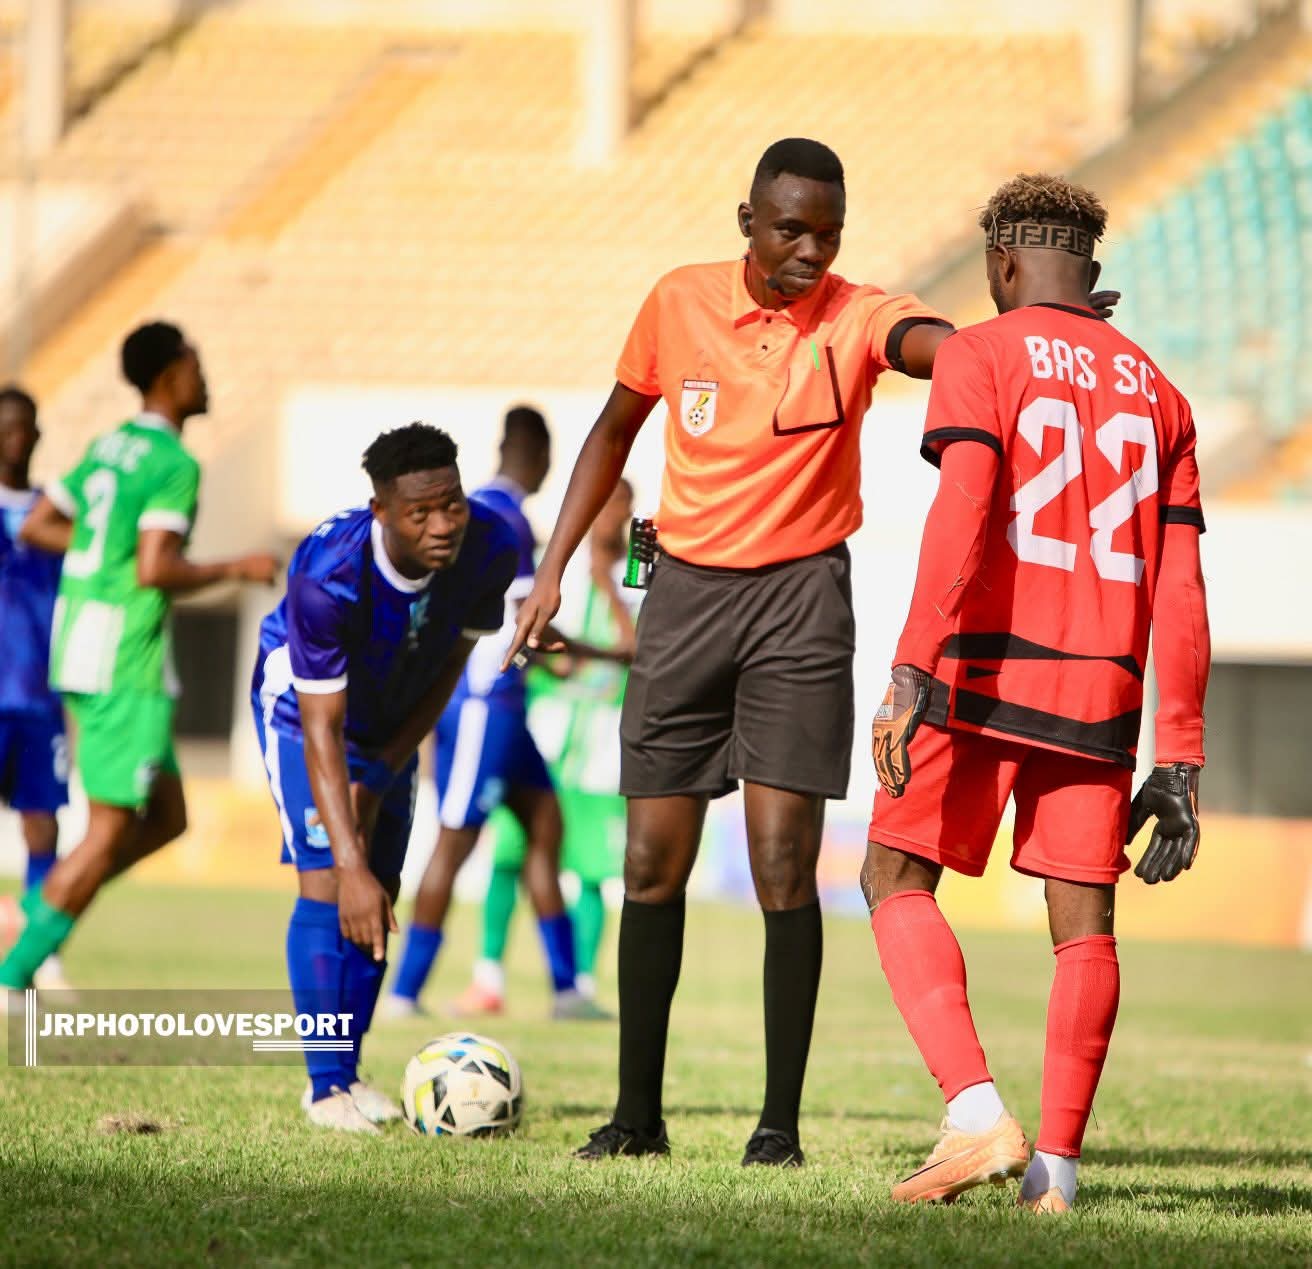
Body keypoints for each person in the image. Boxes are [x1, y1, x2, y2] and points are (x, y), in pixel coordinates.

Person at [507, 137, 1113, 1166]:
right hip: (685, 599)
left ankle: (776, 1127)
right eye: (790, 229)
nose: (809, 252)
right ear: (747, 219)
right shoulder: (675, 302)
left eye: (827, 234)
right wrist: (556, 568)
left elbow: (935, 345)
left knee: (784, 864)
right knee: (652, 861)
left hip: (800, 607)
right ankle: (635, 1121)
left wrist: (1027, 334)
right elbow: (612, 433)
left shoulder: (856, 313)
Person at [863, 173, 1209, 1212]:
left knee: (893, 878)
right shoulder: (1161, 392)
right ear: (1092, 274)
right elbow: (1181, 587)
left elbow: (964, 510)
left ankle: (976, 1118)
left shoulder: (978, 351)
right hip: (1102, 691)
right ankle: (1054, 1171)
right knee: (1084, 925)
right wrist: (1181, 754)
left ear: (1002, 267)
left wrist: (910, 665)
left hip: (979, 671)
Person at [253, 422, 519, 1133]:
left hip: (396, 714)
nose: (443, 524)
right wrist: (348, 853)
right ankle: (323, 1086)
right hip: (302, 714)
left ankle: (349, 1069)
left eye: (452, 503)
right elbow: (319, 727)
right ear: (382, 511)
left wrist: (386, 770)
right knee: (335, 881)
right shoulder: (326, 570)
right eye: (420, 512)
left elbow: (447, 673)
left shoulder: (493, 546)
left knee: (382, 892)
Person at [0, 323, 278, 993]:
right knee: (106, 832)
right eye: (194, 363)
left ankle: (47, 906)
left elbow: (39, 524)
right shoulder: (172, 464)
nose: (203, 377)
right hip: (122, 656)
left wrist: (102, 554)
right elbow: (156, 567)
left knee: (168, 817)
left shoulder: (110, 445)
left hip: (89, 646)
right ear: (168, 375)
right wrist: (239, 565)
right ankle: (13, 970)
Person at [385, 406, 605, 1022]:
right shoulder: (507, 517)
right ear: (533, 454)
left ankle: (567, 991)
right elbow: (526, 618)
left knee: (544, 827)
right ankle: (404, 993)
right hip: (484, 703)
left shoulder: (473, 508)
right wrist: (600, 654)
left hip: (500, 702)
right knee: (455, 843)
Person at [454, 478, 639, 1015]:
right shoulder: (557, 575)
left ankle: (576, 988)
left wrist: (609, 587)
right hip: (544, 737)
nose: (609, 516)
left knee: (593, 872)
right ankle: (488, 979)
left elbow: (641, 651)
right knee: (509, 858)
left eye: (619, 505)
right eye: (601, 504)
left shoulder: (637, 581)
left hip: (604, 749)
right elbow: (530, 640)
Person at [0, 386, 71, 991]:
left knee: (43, 826)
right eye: (6, 428)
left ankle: (40, 952)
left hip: (39, 696)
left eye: (25, 427)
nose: (16, 438)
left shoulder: (53, 511)